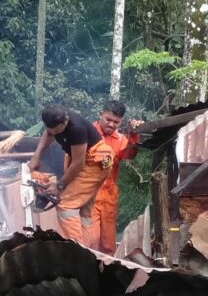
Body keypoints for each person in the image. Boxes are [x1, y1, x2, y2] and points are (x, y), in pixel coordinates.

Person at [28, 104, 113, 246]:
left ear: (65, 121)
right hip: (82, 160)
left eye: (57, 131)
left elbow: (78, 164)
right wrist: (36, 155)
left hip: (94, 163)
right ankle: (89, 251)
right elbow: (49, 133)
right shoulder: (54, 118)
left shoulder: (76, 128)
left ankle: (75, 252)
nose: (55, 134)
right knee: (84, 210)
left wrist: (59, 185)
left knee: (66, 205)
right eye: (51, 130)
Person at [90, 100, 143, 254]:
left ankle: (107, 274)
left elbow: (130, 155)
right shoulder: (87, 133)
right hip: (88, 194)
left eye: (116, 122)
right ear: (100, 114)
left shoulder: (120, 140)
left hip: (109, 195)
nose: (112, 125)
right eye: (108, 120)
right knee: (91, 240)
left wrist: (134, 134)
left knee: (108, 243)